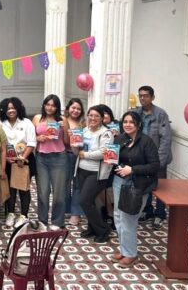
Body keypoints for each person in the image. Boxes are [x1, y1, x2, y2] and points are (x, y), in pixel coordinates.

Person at [112, 111, 160, 268]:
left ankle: (131, 254)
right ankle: (124, 249)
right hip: (119, 181)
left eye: (131, 122)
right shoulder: (120, 138)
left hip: (138, 185)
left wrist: (132, 169)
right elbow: (115, 159)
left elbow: (155, 166)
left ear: (138, 124)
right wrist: (111, 159)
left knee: (128, 218)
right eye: (125, 121)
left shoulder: (147, 142)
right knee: (118, 216)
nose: (127, 124)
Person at [74, 105, 114, 243]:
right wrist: (74, 144)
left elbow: (103, 152)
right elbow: (77, 150)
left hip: (96, 173)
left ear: (102, 118)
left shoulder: (106, 133)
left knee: (84, 201)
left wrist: (85, 155)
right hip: (81, 170)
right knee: (90, 201)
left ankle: (103, 230)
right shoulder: (84, 130)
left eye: (96, 116)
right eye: (90, 115)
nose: (93, 118)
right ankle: (92, 228)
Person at [134, 85, 172, 230]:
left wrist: (159, 162)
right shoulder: (136, 113)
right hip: (142, 157)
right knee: (146, 184)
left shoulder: (160, 114)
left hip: (157, 158)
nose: (142, 98)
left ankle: (160, 214)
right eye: (140, 96)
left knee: (160, 186)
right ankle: (148, 210)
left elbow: (166, 139)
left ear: (152, 97)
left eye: (146, 96)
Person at [0, 97, 36, 228]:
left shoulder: (26, 123)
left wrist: (22, 158)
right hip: (7, 161)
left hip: (24, 160)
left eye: (13, 108)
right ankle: (11, 213)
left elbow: (31, 143)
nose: (11, 111)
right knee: (10, 189)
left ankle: (23, 216)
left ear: (19, 108)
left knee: (23, 188)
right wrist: (6, 159)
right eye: (8, 109)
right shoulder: (0, 124)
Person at [32, 94, 67, 230]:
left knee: (59, 193)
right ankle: (42, 220)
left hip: (59, 157)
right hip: (41, 158)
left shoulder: (62, 119)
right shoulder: (37, 118)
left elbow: (67, 141)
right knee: (43, 192)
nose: (50, 108)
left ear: (57, 107)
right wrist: (37, 138)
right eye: (47, 104)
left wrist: (65, 129)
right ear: (44, 105)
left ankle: (57, 221)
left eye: (53, 105)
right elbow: (30, 137)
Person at [62, 98, 86, 227]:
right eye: (73, 108)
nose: (75, 111)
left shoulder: (84, 123)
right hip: (64, 156)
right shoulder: (62, 121)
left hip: (79, 157)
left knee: (78, 185)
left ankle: (76, 213)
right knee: (64, 185)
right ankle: (66, 209)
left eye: (78, 109)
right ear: (68, 108)